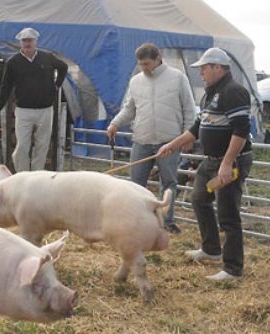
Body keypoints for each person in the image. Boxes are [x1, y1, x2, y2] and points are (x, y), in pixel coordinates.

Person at [158, 47, 252, 281]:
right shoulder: (210, 93)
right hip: (212, 161)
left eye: (204, 69)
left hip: (230, 162)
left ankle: (233, 268)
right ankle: (211, 249)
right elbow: (197, 128)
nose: (201, 73)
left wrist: (227, 163)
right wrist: (173, 144)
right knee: (199, 199)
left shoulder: (234, 92)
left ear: (217, 68)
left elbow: (241, 131)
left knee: (228, 213)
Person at [106, 42, 196, 235]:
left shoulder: (178, 78)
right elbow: (129, 108)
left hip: (169, 140)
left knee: (169, 182)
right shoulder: (136, 81)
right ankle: (136, 219)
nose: (143, 68)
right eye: (140, 64)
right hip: (142, 138)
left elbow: (189, 107)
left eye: (147, 64)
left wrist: (188, 135)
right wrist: (115, 123)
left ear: (158, 59)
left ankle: (167, 221)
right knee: (135, 183)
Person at [0, 27, 68, 172]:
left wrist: (57, 85)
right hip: (24, 110)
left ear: (36, 41)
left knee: (42, 146)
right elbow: (5, 86)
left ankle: (36, 176)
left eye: (30, 40)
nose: (27, 43)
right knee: (22, 146)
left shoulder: (47, 57)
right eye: (24, 40)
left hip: (45, 109)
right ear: (20, 43)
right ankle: (22, 175)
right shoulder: (13, 62)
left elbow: (63, 67)